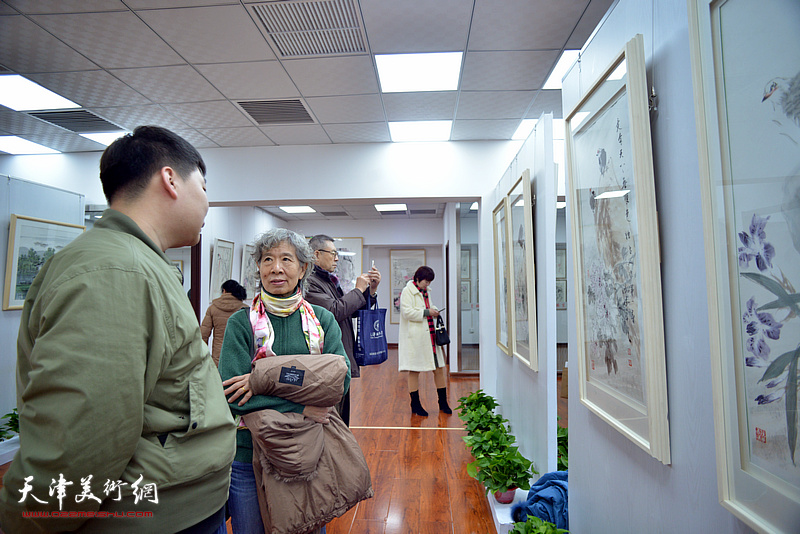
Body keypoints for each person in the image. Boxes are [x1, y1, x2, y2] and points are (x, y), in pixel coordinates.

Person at [0, 126, 236, 534]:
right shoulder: (115, 271)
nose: (207, 202)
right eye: (204, 186)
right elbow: (83, 438)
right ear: (170, 179)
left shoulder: (136, 262)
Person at [218, 228, 350, 534]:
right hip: (248, 452)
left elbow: (338, 382)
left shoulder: (321, 320)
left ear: (303, 268)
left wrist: (260, 382)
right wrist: (302, 405)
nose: (276, 268)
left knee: (307, 528)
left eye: (286, 259)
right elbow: (231, 394)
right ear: (259, 268)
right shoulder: (241, 323)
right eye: (267, 259)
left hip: (308, 451)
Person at [305, 234, 381, 426]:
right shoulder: (310, 283)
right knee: (332, 420)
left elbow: (349, 312)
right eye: (333, 253)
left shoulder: (329, 280)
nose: (337, 258)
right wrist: (357, 290)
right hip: (328, 360)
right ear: (316, 255)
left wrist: (369, 291)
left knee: (342, 417)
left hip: (340, 355)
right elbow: (334, 311)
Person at [398, 265, 452, 416]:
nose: (428, 284)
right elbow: (407, 312)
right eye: (426, 281)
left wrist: (433, 310)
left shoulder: (426, 291)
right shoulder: (408, 291)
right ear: (417, 279)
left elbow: (428, 306)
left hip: (430, 336)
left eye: (429, 282)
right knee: (414, 370)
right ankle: (415, 404)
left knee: (439, 368)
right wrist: (428, 312)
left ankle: (443, 403)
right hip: (416, 338)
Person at [201, 279, 247, 366]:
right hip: (239, 356)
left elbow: (204, 335)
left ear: (224, 291)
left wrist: (202, 357)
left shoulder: (213, 308)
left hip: (219, 357)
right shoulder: (245, 309)